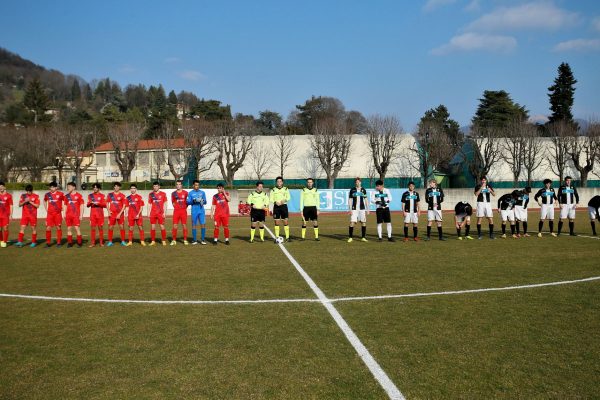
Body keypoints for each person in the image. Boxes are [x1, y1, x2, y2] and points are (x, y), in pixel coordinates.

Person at [43, 181, 65, 247]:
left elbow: (65, 201)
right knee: (48, 228)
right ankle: (48, 243)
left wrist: (63, 207)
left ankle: (58, 242)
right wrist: (46, 209)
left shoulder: (61, 194)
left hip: (58, 214)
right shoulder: (47, 194)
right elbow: (44, 201)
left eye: (53, 187)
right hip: (50, 214)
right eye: (50, 187)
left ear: (56, 187)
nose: (51, 188)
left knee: (58, 227)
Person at [270, 176, 291, 242]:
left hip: (284, 206)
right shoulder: (273, 190)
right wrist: (275, 202)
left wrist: (283, 201)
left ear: (282, 182)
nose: (279, 183)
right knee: (277, 222)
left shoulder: (286, 189)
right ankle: (277, 238)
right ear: (276, 182)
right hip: (276, 207)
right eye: (278, 181)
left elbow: (288, 197)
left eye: (280, 181)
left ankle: (287, 237)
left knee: (285, 221)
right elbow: (271, 198)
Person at [348, 177, 369, 243]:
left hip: (362, 209)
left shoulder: (363, 190)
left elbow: (366, 199)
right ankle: (350, 237)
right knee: (352, 222)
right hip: (354, 209)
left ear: (360, 182)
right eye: (356, 182)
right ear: (355, 183)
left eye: (358, 182)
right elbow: (350, 200)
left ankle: (363, 237)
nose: (357, 183)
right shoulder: (352, 190)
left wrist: (367, 209)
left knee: (363, 222)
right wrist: (350, 209)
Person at [106, 182, 127, 247]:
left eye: (118, 186)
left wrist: (120, 214)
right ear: (114, 187)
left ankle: (123, 241)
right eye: (115, 186)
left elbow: (124, 206)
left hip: (120, 214)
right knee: (110, 227)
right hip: (112, 214)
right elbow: (107, 203)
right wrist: (109, 211)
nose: (116, 187)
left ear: (119, 187)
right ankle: (110, 241)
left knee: (121, 227)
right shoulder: (110, 195)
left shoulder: (122, 195)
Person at [64, 182, 84, 247]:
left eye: (69, 186)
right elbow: (65, 205)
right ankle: (70, 243)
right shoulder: (66, 196)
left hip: (76, 215)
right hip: (68, 215)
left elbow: (82, 205)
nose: (68, 188)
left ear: (74, 187)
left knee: (77, 228)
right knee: (69, 229)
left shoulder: (79, 195)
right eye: (68, 186)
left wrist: (81, 215)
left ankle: (79, 242)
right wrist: (64, 213)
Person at [186, 180, 207, 245]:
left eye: (198, 185)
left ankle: (203, 240)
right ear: (193, 185)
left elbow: (205, 202)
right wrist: (193, 201)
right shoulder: (190, 193)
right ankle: (194, 240)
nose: (197, 186)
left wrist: (202, 201)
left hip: (201, 211)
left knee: (203, 224)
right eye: (195, 185)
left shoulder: (202, 192)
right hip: (194, 211)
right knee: (194, 225)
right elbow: (188, 202)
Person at [148, 181, 168, 246]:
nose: (155, 187)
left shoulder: (163, 194)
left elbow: (165, 203)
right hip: (153, 213)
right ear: (153, 187)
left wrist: (164, 212)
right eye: (154, 186)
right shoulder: (151, 194)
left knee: (162, 226)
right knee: (153, 227)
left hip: (160, 213)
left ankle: (163, 240)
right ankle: (153, 241)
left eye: (156, 186)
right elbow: (149, 203)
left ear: (159, 187)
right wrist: (148, 212)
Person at [87, 183, 106, 247]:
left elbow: (105, 205)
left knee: (100, 228)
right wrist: (91, 203)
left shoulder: (102, 196)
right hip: (93, 214)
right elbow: (87, 205)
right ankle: (93, 243)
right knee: (93, 228)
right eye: (94, 187)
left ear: (99, 188)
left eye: (96, 187)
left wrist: (98, 204)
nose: (95, 188)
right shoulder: (90, 195)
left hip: (100, 214)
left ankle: (101, 242)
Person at [170, 179, 189, 245]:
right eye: (177, 184)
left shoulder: (186, 193)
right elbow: (173, 202)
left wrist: (184, 208)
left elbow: (188, 202)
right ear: (176, 185)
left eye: (179, 184)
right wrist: (177, 207)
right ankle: (174, 240)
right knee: (175, 225)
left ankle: (185, 239)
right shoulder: (173, 193)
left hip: (183, 211)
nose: (178, 186)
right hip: (176, 211)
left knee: (184, 225)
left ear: (182, 185)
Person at [0, 181, 13, 248]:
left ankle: (5, 241)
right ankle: (1, 240)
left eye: (2, 186)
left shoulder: (9, 196)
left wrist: (11, 214)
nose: (0, 188)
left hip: (5, 215)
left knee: (5, 228)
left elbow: (11, 205)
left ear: (4, 187)